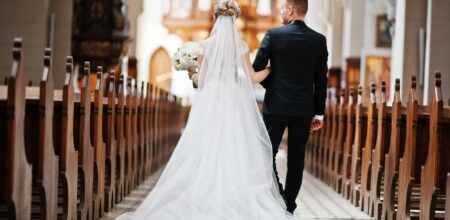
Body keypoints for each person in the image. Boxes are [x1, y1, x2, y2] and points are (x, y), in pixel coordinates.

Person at [117, 0, 296, 219]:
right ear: (234, 21)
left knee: (208, 146)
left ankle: (205, 189)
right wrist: (271, 68)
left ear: (215, 19)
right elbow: (251, 79)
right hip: (233, 99)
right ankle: (233, 194)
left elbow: (201, 81)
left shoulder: (204, 46)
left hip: (212, 99)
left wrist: (190, 72)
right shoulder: (240, 46)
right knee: (233, 146)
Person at [252, 0, 328, 213]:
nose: (280, 12)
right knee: (296, 157)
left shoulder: (273, 35)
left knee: (267, 153)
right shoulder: (319, 41)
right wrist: (319, 113)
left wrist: (274, 86)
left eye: (282, 8)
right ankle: (289, 204)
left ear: (291, 10)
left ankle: (277, 195)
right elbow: (321, 80)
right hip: (304, 109)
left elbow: (257, 68)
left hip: (276, 106)